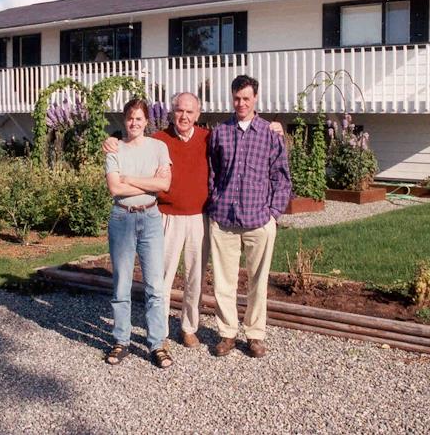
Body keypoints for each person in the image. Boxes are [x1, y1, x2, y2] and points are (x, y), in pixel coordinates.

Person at [103, 93, 284, 350]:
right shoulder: (159, 140)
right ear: (172, 112)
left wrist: (275, 127)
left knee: (195, 278)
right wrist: (111, 139)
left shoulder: (208, 137)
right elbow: (134, 141)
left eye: (190, 112)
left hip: (199, 217)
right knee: (161, 277)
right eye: (179, 111)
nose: (184, 116)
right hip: (166, 217)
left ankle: (189, 327)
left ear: (198, 114)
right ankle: (161, 332)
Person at [207, 74, 292, 358]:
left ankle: (255, 335)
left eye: (246, 98)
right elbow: (212, 172)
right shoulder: (220, 132)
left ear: (255, 98)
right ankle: (227, 333)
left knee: (258, 282)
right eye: (236, 98)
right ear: (231, 98)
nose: (241, 103)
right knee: (224, 282)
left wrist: (273, 214)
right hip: (224, 219)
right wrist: (215, 202)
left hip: (259, 220)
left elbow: (281, 178)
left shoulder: (270, 133)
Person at [104, 98, 173, 368]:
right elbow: (115, 188)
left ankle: (157, 344)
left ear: (146, 121)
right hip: (122, 217)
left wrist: (129, 179)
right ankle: (121, 340)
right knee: (121, 283)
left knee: (155, 285)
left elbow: (164, 184)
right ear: (125, 120)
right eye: (130, 118)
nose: (134, 123)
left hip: (151, 218)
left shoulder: (159, 147)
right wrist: (149, 183)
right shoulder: (114, 148)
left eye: (139, 118)